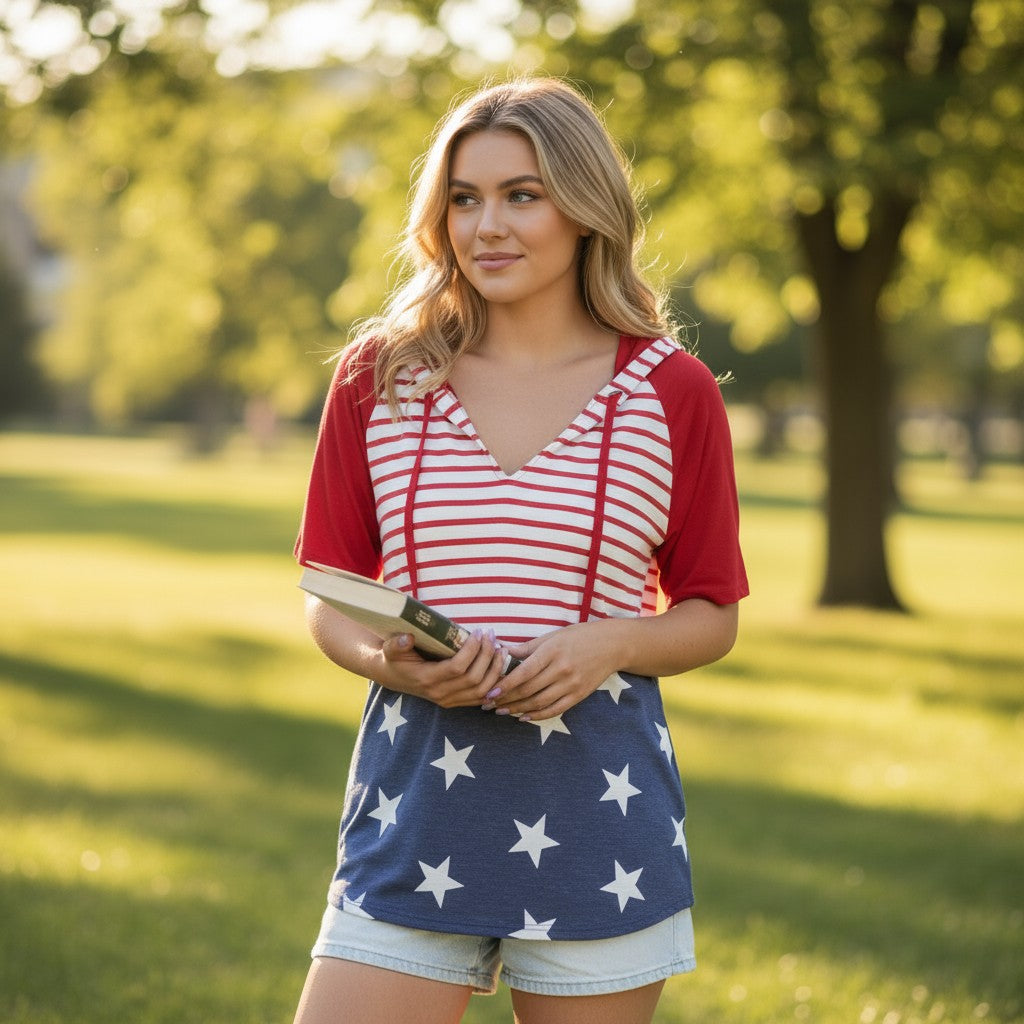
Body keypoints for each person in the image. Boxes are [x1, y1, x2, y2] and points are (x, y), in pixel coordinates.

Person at [291, 77, 748, 1024]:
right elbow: (328, 595)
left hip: (600, 819)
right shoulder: (379, 378)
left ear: (585, 210)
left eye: (521, 194)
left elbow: (712, 614)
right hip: (414, 806)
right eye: (464, 198)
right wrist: (390, 662)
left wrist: (610, 643)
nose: (485, 225)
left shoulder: (672, 390)